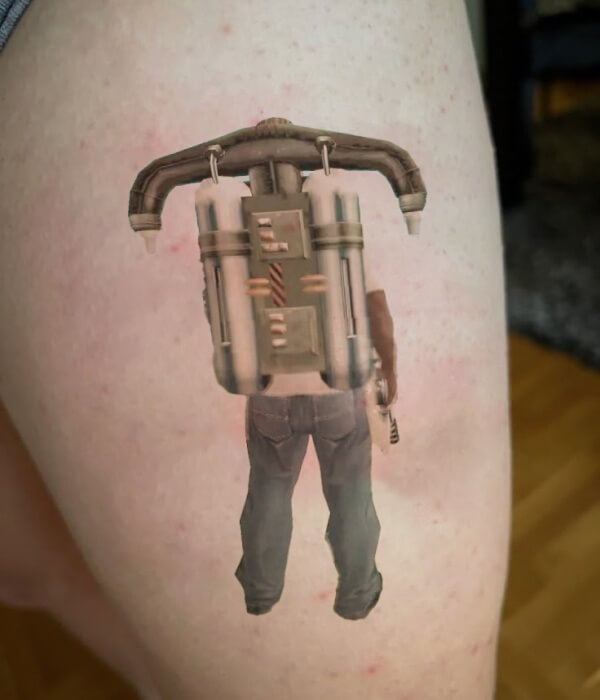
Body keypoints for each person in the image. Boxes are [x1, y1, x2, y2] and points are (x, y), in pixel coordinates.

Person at [0, 2, 511, 699]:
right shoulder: (316, 231)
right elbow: (371, 311)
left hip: (281, 393)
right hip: (313, 392)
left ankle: (273, 591)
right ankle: (336, 591)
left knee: (292, 519)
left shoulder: (263, 229)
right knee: (31, 563)